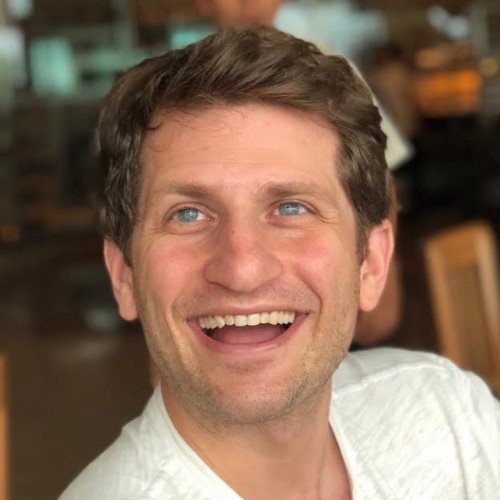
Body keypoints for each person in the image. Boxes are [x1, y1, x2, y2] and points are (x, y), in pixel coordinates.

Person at [60, 27, 499, 499]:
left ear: (371, 263)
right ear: (123, 275)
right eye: (187, 214)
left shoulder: (449, 416)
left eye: (291, 208)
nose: (243, 270)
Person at [195, 0, 410, 349]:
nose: (249, 2)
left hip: (322, 283)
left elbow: (379, 184)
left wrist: (379, 277)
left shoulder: (328, 69)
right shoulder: (181, 88)